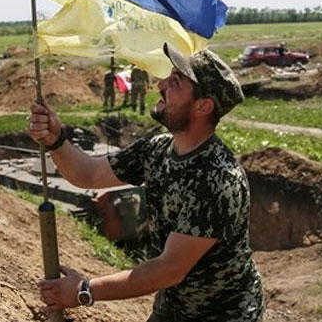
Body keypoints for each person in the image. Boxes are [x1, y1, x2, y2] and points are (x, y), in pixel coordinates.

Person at [29, 43, 264, 322]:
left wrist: (84, 291)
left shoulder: (218, 179)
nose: (161, 84)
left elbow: (169, 268)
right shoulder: (157, 150)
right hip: (175, 304)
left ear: (202, 106)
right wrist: (56, 141)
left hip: (224, 314)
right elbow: (89, 174)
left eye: (175, 81)